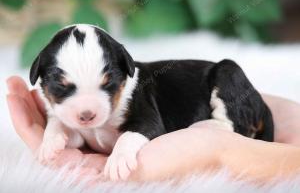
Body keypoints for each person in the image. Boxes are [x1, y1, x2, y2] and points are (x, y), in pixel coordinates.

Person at [6, 76, 300, 183]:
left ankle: (226, 124)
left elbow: (146, 125)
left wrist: (219, 147)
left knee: (226, 71)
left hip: (216, 83)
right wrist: (55, 129)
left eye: (105, 85)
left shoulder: (137, 92)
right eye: (63, 87)